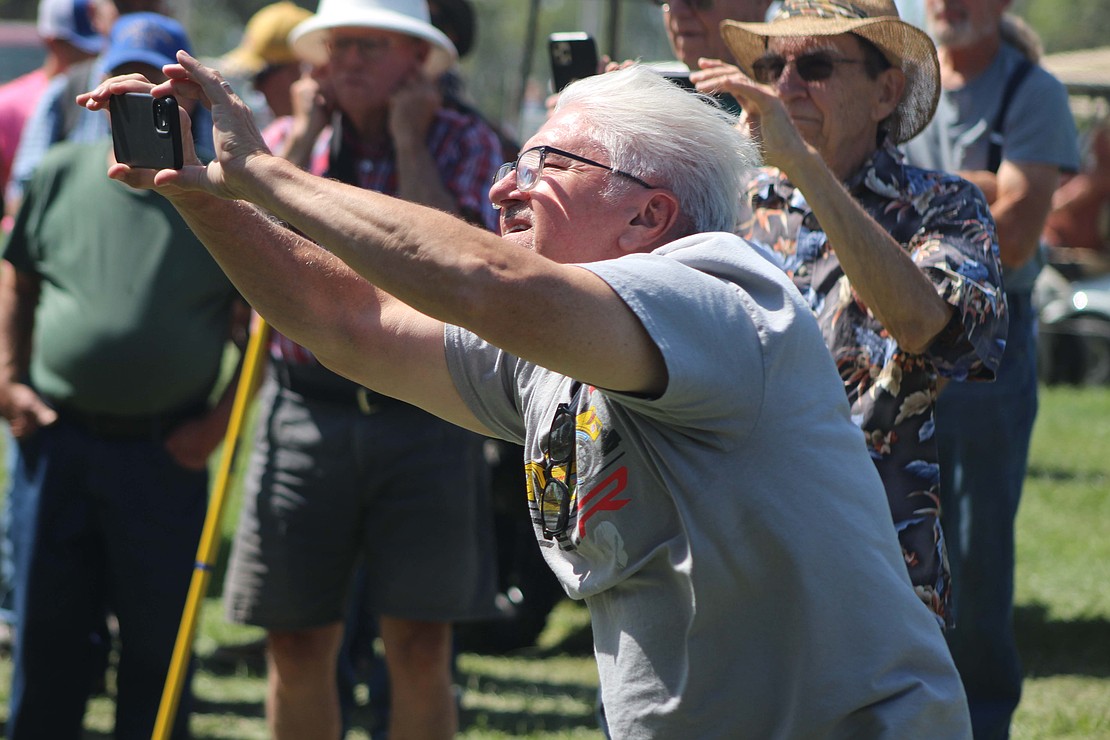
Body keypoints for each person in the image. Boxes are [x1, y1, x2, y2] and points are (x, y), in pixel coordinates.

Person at [81, 54, 974, 737]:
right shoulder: (547, 346)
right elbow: (351, 321)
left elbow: (481, 279)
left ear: (647, 215)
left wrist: (266, 173)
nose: (503, 187)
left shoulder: (719, 291)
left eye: (544, 162)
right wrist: (205, 197)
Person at [218, 1, 502, 738]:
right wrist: (302, 138)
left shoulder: (465, 143)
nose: (346, 62)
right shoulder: (280, 141)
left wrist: (410, 141)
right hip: (306, 410)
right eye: (336, 46)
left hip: (428, 416)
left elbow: (455, 270)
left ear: (418, 63)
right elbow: (258, 259)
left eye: (368, 47)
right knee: (295, 637)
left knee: (419, 640)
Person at [691, 0, 1008, 628]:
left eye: (813, 64)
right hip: (728, 559)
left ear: (886, 92)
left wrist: (805, 168)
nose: (783, 87)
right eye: (770, 65)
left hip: (875, 568)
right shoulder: (726, 199)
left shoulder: (944, 207)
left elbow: (934, 330)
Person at [0, 14, 246, 739]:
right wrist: (9, 380)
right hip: (58, 442)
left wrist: (220, 421)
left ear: (189, 99)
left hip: (165, 452)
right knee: (48, 640)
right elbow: (18, 280)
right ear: (99, 90)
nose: (141, 99)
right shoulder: (59, 175)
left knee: (156, 650)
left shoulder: (218, 198)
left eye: (158, 85)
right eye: (126, 82)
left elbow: (263, 321)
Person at [901, 1, 1079, 736]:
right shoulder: (901, 84)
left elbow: (1011, 238)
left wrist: (914, 204)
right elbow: (857, 203)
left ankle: (980, 721)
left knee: (972, 553)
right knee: (885, 543)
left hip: (989, 347)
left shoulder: (1033, 93)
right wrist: (977, 188)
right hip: (893, 341)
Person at [0, 0, 102, 217]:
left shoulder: (101, 99)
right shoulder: (7, 104)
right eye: (79, 47)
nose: (91, 55)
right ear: (51, 41)